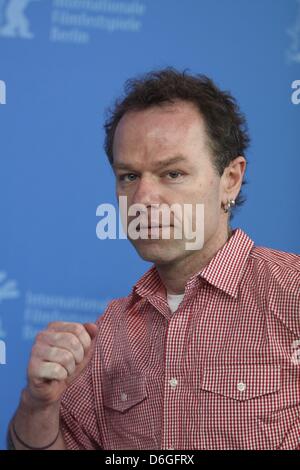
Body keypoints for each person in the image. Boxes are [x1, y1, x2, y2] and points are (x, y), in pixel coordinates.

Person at [8, 68, 300, 450]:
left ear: (230, 179)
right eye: (129, 176)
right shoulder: (109, 333)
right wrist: (38, 406)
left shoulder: (291, 293)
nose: (143, 198)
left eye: (172, 173)